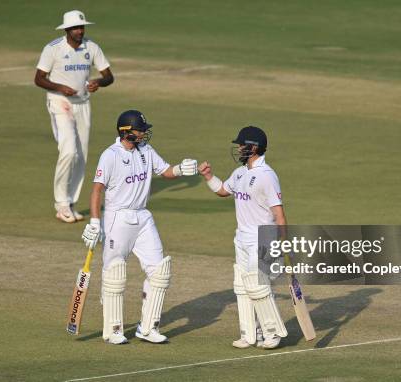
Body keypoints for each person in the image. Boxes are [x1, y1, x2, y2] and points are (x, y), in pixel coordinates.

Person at [81, 110, 198, 344]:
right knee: (114, 272)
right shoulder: (110, 155)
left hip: (143, 217)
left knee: (159, 271)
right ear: (126, 132)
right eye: (140, 130)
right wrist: (95, 222)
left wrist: (180, 169)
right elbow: (97, 189)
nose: (144, 134)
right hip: (118, 218)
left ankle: (147, 328)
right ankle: (113, 330)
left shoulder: (146, 150)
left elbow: (165, 171)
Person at [198, 126, 288, 349]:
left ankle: (272, 333)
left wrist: (284, 244)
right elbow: (223, 191)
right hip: (241, 238)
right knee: (241, 286)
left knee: (257, 286)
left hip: (263, 238)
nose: (238, 148)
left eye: (241, 145)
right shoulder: (239, 173)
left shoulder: (267, 176)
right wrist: (209, 176)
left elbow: (279, 214)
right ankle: (250, 334)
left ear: (254, 148)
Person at [34, 10, 114, 223]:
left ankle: (70, 203)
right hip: (59, 102)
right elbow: (39, 79)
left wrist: (99, 82)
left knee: (81, 155)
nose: (80, 31)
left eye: (82, 27)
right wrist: (59, 87)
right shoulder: (53, 49)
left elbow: (109, 76)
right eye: (76, 28)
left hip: (83, 104)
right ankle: (61, 204)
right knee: (68, 150)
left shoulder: (92, 47)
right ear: (67, 30)